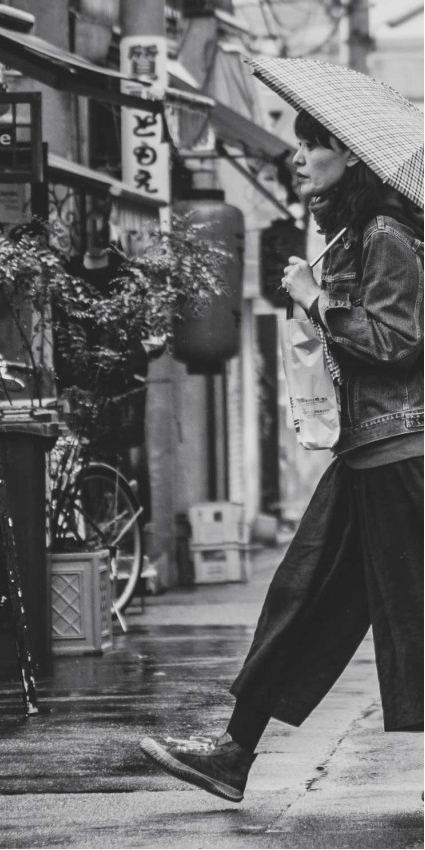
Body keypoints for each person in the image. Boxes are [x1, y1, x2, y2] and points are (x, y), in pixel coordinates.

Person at [139, 109, 424, 803]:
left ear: (350, 157)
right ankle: (233, 754)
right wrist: (318, 304)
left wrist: (318, 300)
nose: (299, 158)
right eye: (297, 144)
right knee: (299, 600)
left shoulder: (387, 235)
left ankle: (233, 751)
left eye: (312, 145)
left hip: (399, 453)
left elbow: (398, 341)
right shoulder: (359, 235)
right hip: (369, 452)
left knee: (413, 617)